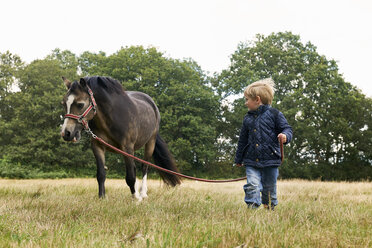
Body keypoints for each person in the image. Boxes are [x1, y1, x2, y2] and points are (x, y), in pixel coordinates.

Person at [235, 78, 292, 210]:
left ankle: (269, 208)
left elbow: (287, 129)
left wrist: (285, 136)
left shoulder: (275, 114)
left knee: (269, 188)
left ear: (257, 99)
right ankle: (253, 207)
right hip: (251, 160)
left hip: (271, 159)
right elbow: (242, 140)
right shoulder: (247, 118)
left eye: (247, 99)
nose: (246, 103)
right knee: (252, 185)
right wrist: (239, 158)